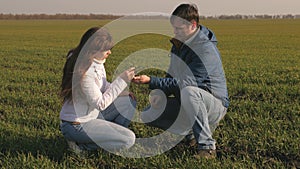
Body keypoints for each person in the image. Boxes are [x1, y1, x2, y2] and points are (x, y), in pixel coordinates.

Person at [132, 3, 229, 159]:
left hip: (214, 104)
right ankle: (190, 136)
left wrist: (151, 81)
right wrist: (160, 93)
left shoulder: (205, 50)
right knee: (149, 114)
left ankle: (207, 148)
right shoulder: (178, 45)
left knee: (189, 91)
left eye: (179, 29)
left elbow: (188, 83)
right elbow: (172, 75)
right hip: (188, 99)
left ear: (193, 25)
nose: (175, 32)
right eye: (174, 28)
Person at [59, 27, 136, 155]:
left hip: (91, 115)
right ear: (93, 50)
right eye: (106, 49)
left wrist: (122, 92)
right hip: (77, 125)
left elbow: (103, 85)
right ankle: (82, 147)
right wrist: (121, 81)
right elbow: (100, 104)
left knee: (128, 101)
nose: (110, 52)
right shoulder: (85, 72)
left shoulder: (95, 61)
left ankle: (107, 136)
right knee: (128, 139)